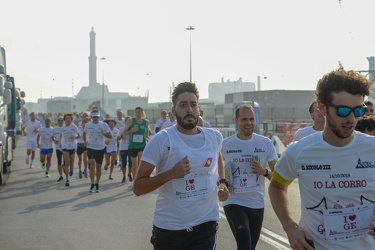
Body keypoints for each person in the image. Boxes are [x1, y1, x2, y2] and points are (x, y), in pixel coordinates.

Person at [269, 68, 375, 249]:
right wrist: (290, 227)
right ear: (322, 107)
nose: (351, 118)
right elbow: (277, 186)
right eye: (342, 110)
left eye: (358, 111)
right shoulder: (299, 151)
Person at [133, 82, 229, 249]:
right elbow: (138, 187)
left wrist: (222, 182)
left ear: (199, 109)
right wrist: (170, 174)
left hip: (205, 225)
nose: (189, 110)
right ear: (173, 110)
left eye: (193, 105)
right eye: (183, 105)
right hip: (169, 229)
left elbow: (217, 156)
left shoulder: (215, 137)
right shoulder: (161, 140)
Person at [221, 104, 278, 250]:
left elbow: (279, 177)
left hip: (256, 203)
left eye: (251, 119)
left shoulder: (265, 144)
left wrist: (263, 171)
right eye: (244, 119)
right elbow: (216, 171)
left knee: (250, 247)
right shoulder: (225, 145)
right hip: (234, 201)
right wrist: (222, 184)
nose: (248, 123)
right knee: (244, 245)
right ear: (236, 120)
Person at [83, 110, 112, 193]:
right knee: (92, 165)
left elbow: (110, 136)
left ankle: (97, 183)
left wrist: (104, 134)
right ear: (91, 117)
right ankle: (92, 183)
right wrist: (85, 140)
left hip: (100, 148)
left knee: (98, 167)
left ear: (99, 117)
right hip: (91, 147)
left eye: (97, 117)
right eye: (94, 117)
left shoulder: (104, 125)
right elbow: (84, 133)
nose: (95, 118)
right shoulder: (88, 125)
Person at [121, 106, 150, 182]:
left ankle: (140, 180)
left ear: (142, 113)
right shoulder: (130, 121)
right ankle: (135, 181)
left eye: (139, 112)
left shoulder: (146, 122)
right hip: (133, 146)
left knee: (140, 163)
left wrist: (146, 137)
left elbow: (147, 133)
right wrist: (132, 131)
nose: (137, 114)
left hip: (142, 145)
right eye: (136, 112)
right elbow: (124, 133)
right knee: (134, 165)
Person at [60, 112, 80, 187]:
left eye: (69, 118)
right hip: (65, 146)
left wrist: (74, 137)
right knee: (67, 162)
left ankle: (71, 168)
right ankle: (67, 179)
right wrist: (61, 142)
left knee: (71, 162)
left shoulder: (74, 127)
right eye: (66, 119)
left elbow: (79, 135)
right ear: (64, 120)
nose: (68, 120)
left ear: (71, 119)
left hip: (72, 146)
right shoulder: (63, 128)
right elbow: (61, 135)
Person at [118, 116, 133, 183]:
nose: (128, 122)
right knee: (124, 163)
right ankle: (124, 176)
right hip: (123, 147)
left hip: (131, 147)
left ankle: (129, 174)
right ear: (125, 122)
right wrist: (121, 136)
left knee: (131, 162)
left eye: (130, 121)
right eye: (127, 121)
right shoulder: (121, 128)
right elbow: (118, 138)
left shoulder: (133, 128)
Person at [52, 116, 65, 182]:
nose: (60, 121)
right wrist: (54, 140)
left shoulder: (65, 128)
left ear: (63, 121)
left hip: (65, 147)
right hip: (57, 147)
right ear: (57, 121)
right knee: (59, 161)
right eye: (59, 120)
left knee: (65, 162)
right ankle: (61, 176)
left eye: (61, 120)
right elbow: (53, 136)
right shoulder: (55, 128)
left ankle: (64, 166)